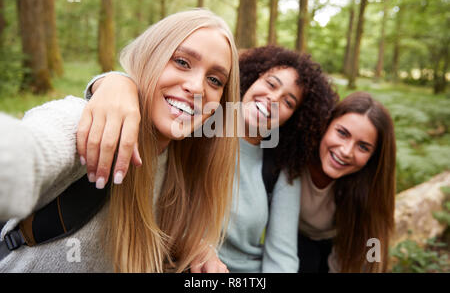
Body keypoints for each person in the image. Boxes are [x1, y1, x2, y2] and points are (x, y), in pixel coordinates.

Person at [0, 9, 241, 273]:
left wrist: (198, 247)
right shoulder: (86, 124)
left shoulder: (183, 163)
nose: (196, 87)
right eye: (182, 62)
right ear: (150, 57)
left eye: (215, 80)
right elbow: (25, 155)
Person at [78, 45, 337, 272]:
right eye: (270, 84)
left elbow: (282, 257)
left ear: (293, 119)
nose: (273, 99)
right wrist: (112, 82)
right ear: (250, 79)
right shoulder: (195, 126)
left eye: (288, 102)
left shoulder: (280, 170)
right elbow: (145, 101)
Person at [296, 91, 396, 273]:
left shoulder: (367, 187)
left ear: (373, 158)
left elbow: (372, 249)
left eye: (363, 147)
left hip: (337, 246)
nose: (346, 151)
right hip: (291, 242)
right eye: (342, 133)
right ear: (326, 124)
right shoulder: (296, 156)